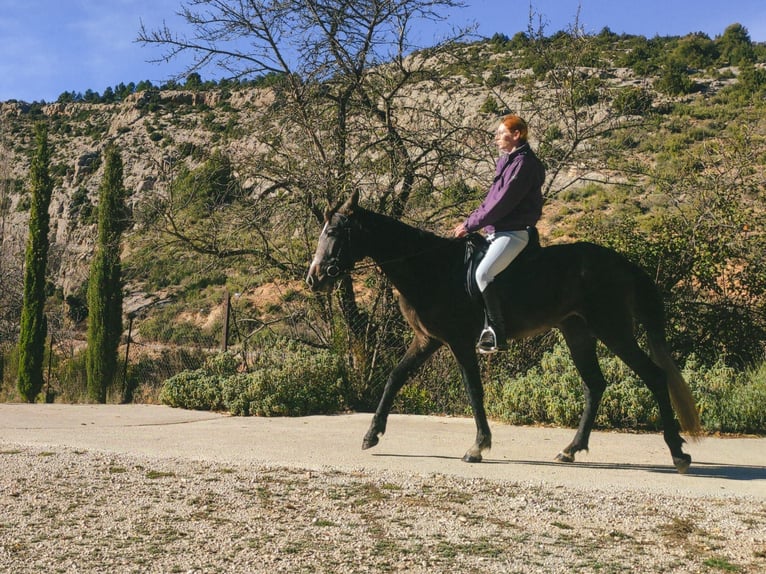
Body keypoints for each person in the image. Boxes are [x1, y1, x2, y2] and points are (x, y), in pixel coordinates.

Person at [452, 114, 545, 354]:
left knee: (483, 274)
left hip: (514, 233)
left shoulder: (524, 164)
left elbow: (501, 203)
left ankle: (497, 332)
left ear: (516, 135)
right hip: (496, 231)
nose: (495, 138)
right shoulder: (506, 161)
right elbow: (490, 200)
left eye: (500, 133)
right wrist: (469, 222)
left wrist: (470, 225)